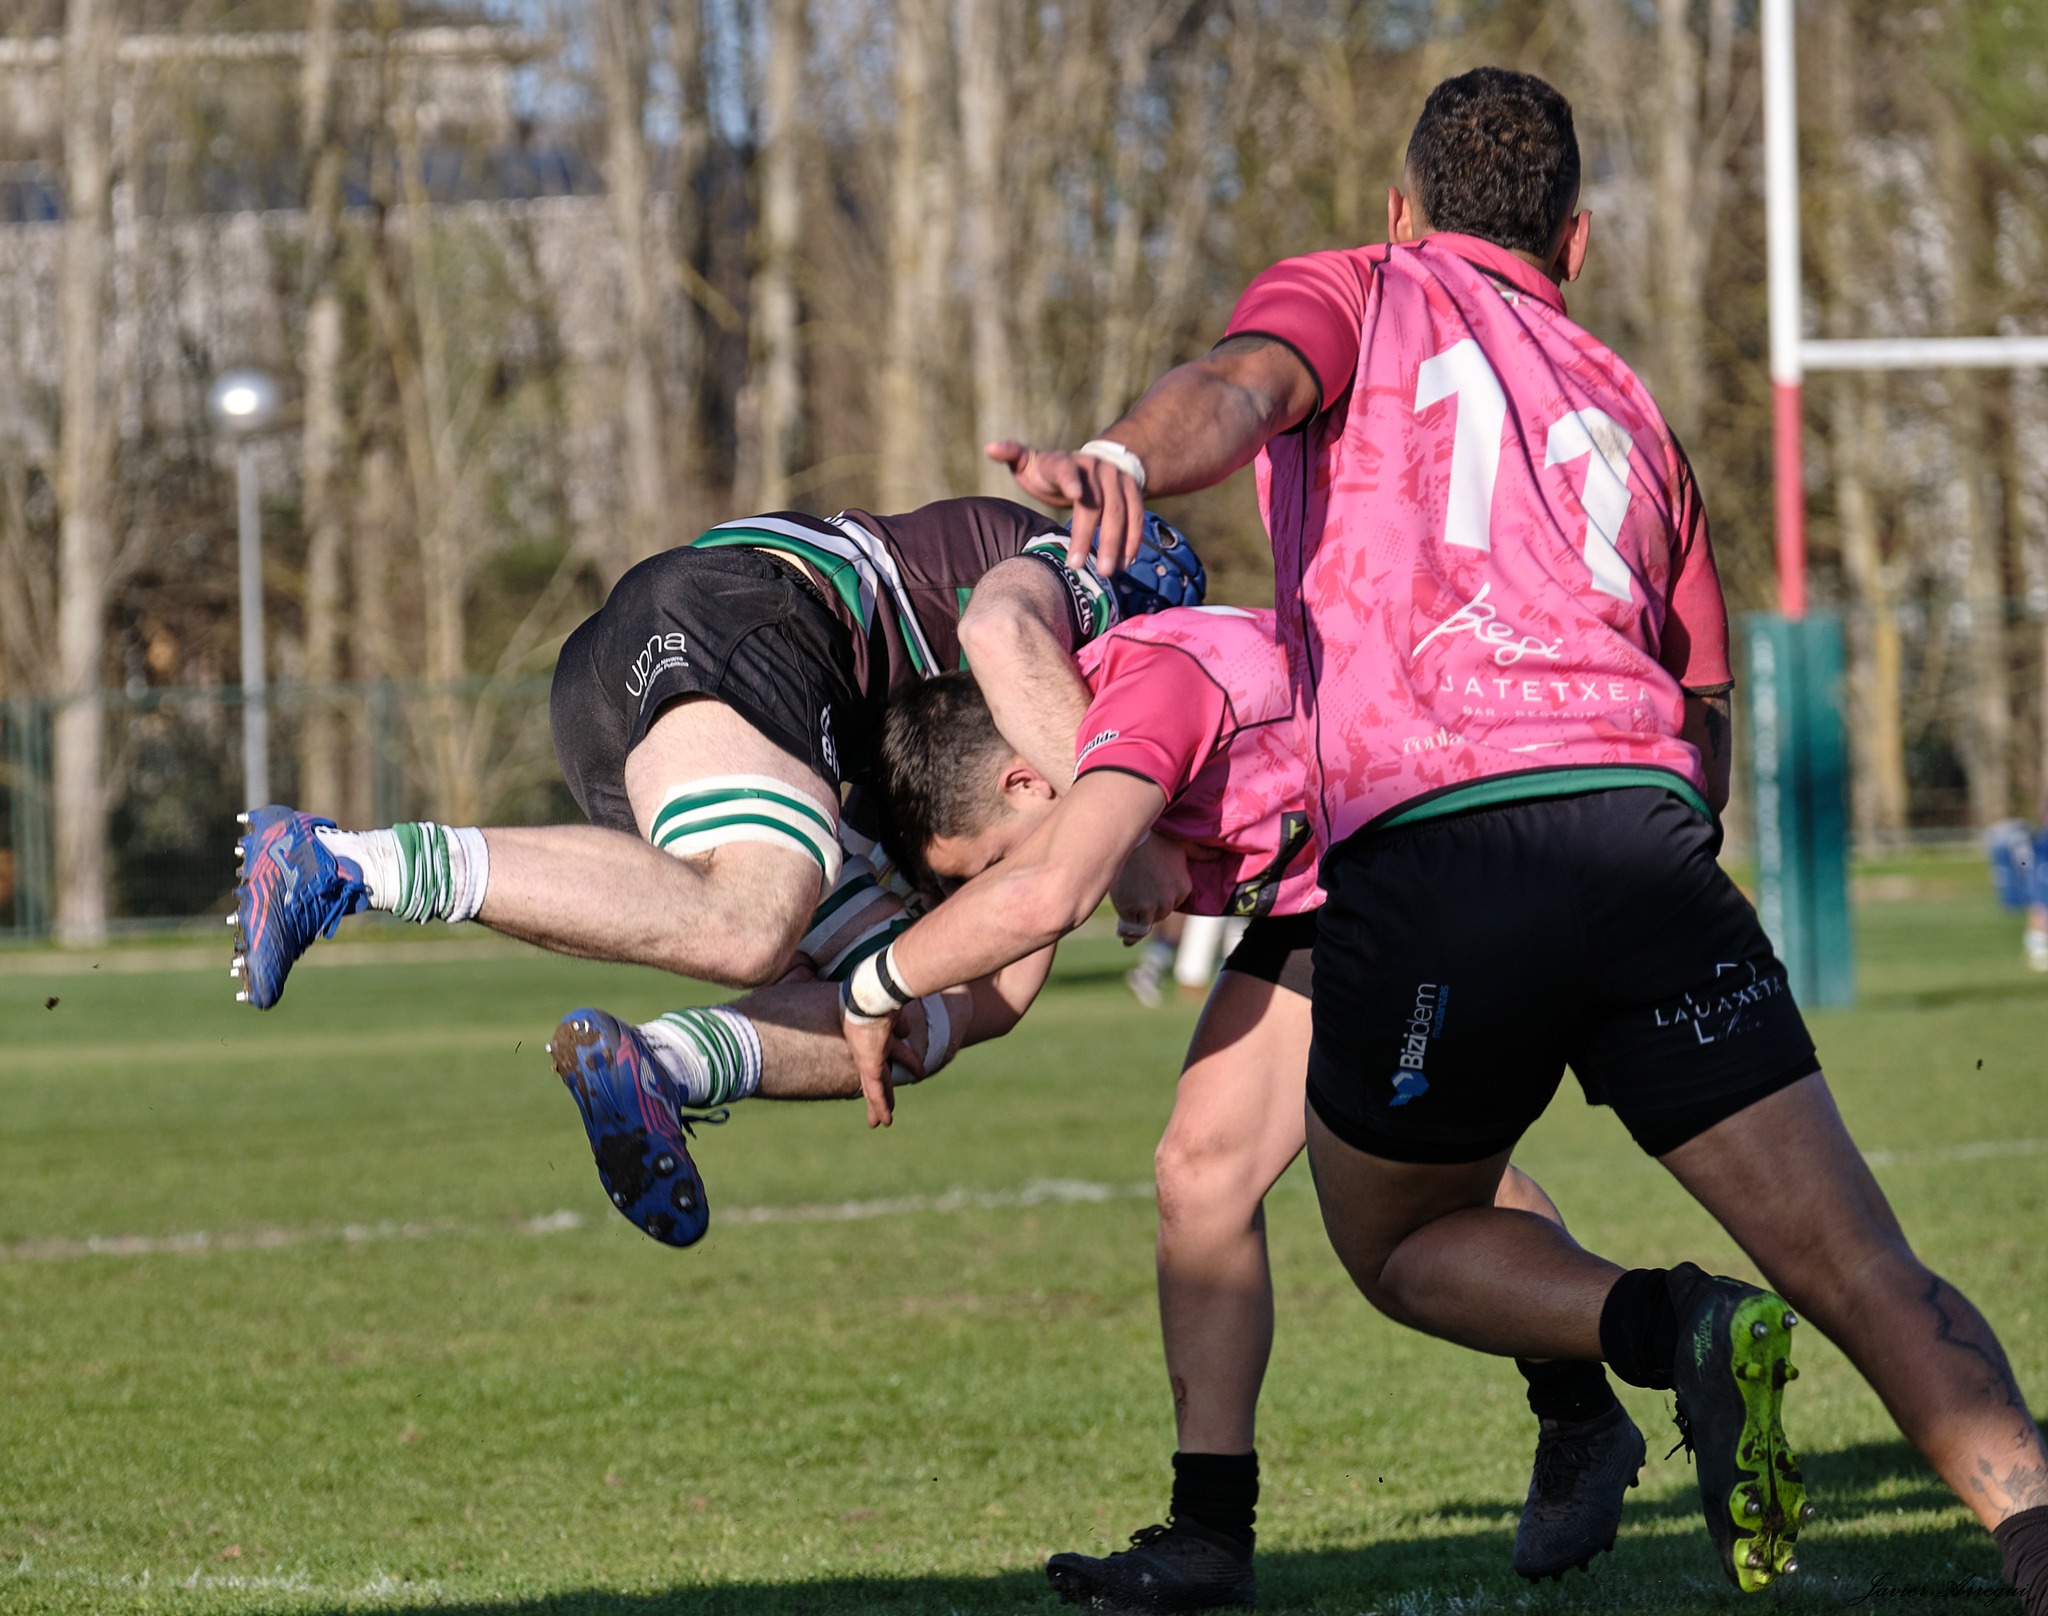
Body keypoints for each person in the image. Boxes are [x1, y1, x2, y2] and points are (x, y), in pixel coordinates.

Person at [978, 67, 2048, 1608]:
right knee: (1861, 1263)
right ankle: (2029, 1523)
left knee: (1403, 1235)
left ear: (1403, 210)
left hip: (1443, 859)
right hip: (1649, 847)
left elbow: (1246, 382)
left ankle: (1662, 1327)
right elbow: (1707, 712)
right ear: (1579, 241)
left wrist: (1130, 463)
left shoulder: (1360, 286)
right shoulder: (1629, 407)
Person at [823, 604, 1644, 1605]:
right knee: (1202, 1168)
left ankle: (1643, 1354)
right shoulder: (1090, 736)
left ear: (1024, 780)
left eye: (986, 863)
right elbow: (1025, 942)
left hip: (1438, 867)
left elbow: (1039, 883)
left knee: (1415, 1214)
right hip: (1337, 897)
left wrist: (873, 984)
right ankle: (1210, 1534)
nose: (998, 890)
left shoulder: (1149, 694)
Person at [227, 497, 1202, 1008]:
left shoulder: (937, 733)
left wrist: (900, 998)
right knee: (751, 922)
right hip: (741, 617)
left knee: (884, 981)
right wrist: (1129, 828)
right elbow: (998, 635)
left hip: (642, 691)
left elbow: (986, 938)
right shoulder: (1105, 582)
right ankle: (342, 861)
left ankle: (670, 1073)